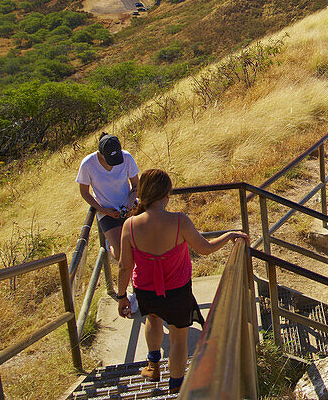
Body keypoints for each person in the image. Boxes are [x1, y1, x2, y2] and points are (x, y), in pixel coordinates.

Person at [116, 169, 248, 392]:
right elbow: (205, 249)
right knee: (178, 339)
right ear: (167, 194)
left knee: (152, 318)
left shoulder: (129, 226)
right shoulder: (179, 221)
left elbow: (124, 266)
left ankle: (153, 365)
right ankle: (176, 387)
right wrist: (228, 236)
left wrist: (121, 297)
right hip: (177, 291)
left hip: (145, 290)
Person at [77, 133, 139, 261]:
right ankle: (109, 245)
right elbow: (84, 192)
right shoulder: (88, 164)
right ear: (100, 154)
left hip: (129, 208)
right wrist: (103, 210)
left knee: (140, 247)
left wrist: (131, 200)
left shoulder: (126, 157)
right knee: (121, 255)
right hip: (106, 212)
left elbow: (136, 186)